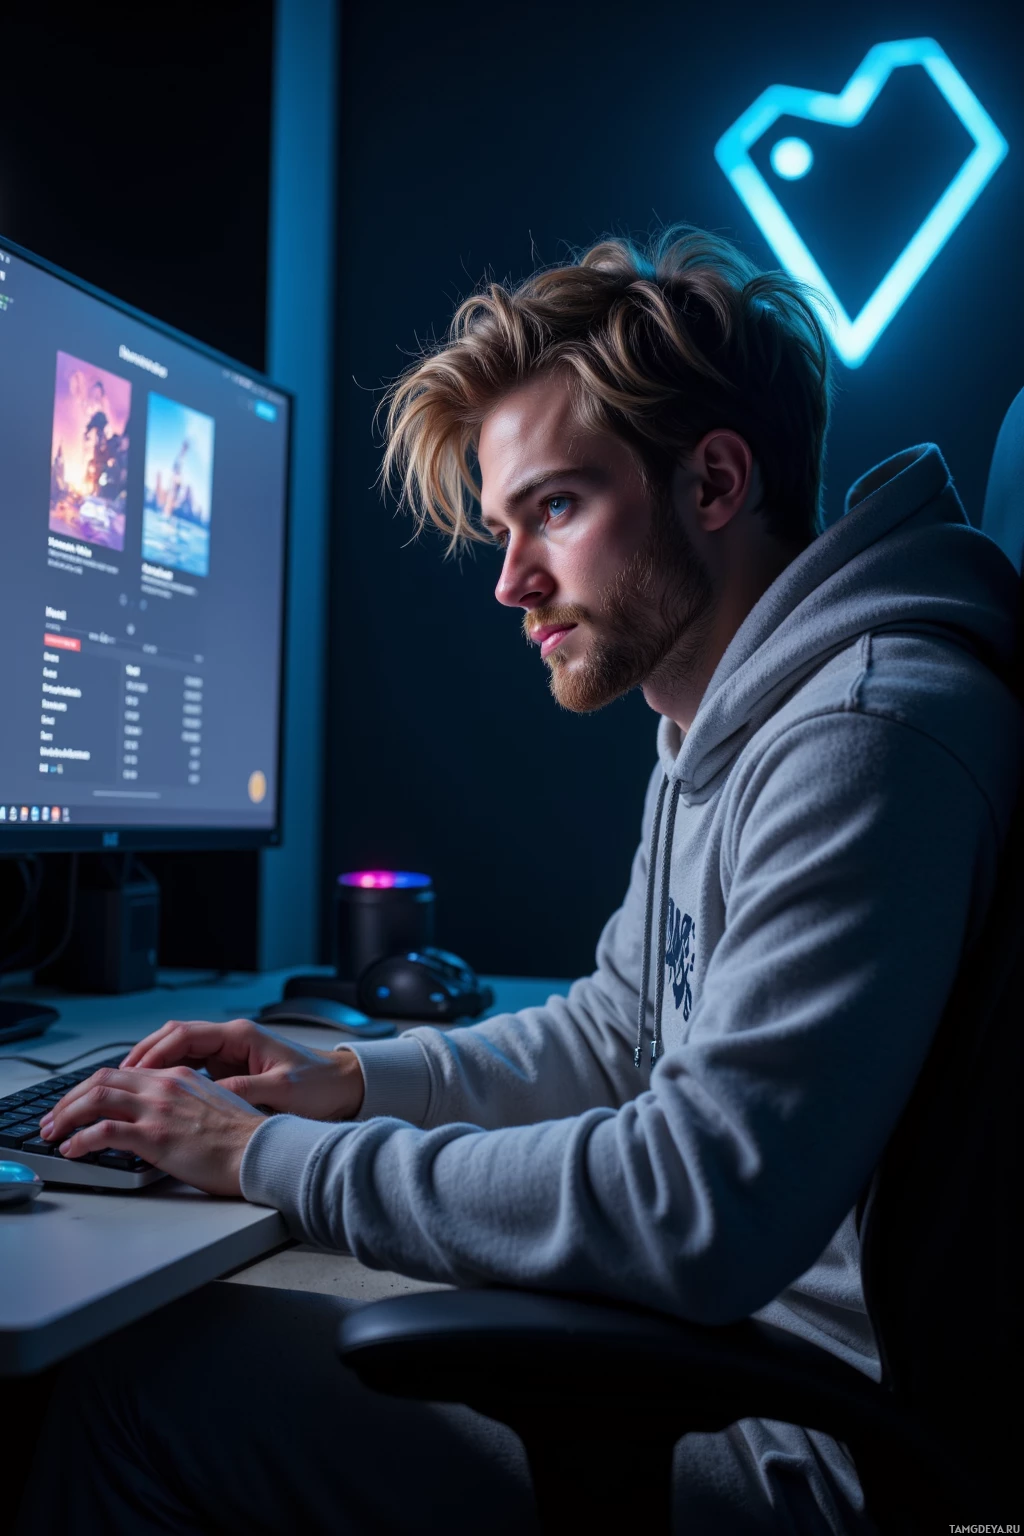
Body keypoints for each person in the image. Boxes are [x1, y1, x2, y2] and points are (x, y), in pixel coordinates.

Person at [17, 229, 1022, 1535]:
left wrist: (263, 1153)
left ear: (716, 481)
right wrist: (345, 1080)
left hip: (815, 1446)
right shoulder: (726, 717)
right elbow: (615, 1036)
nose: (510, 583)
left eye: (553, 509)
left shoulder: (863, 732)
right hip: (736, 1352)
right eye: (503, 529)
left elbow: (696, 1206)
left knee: (134, 1387)